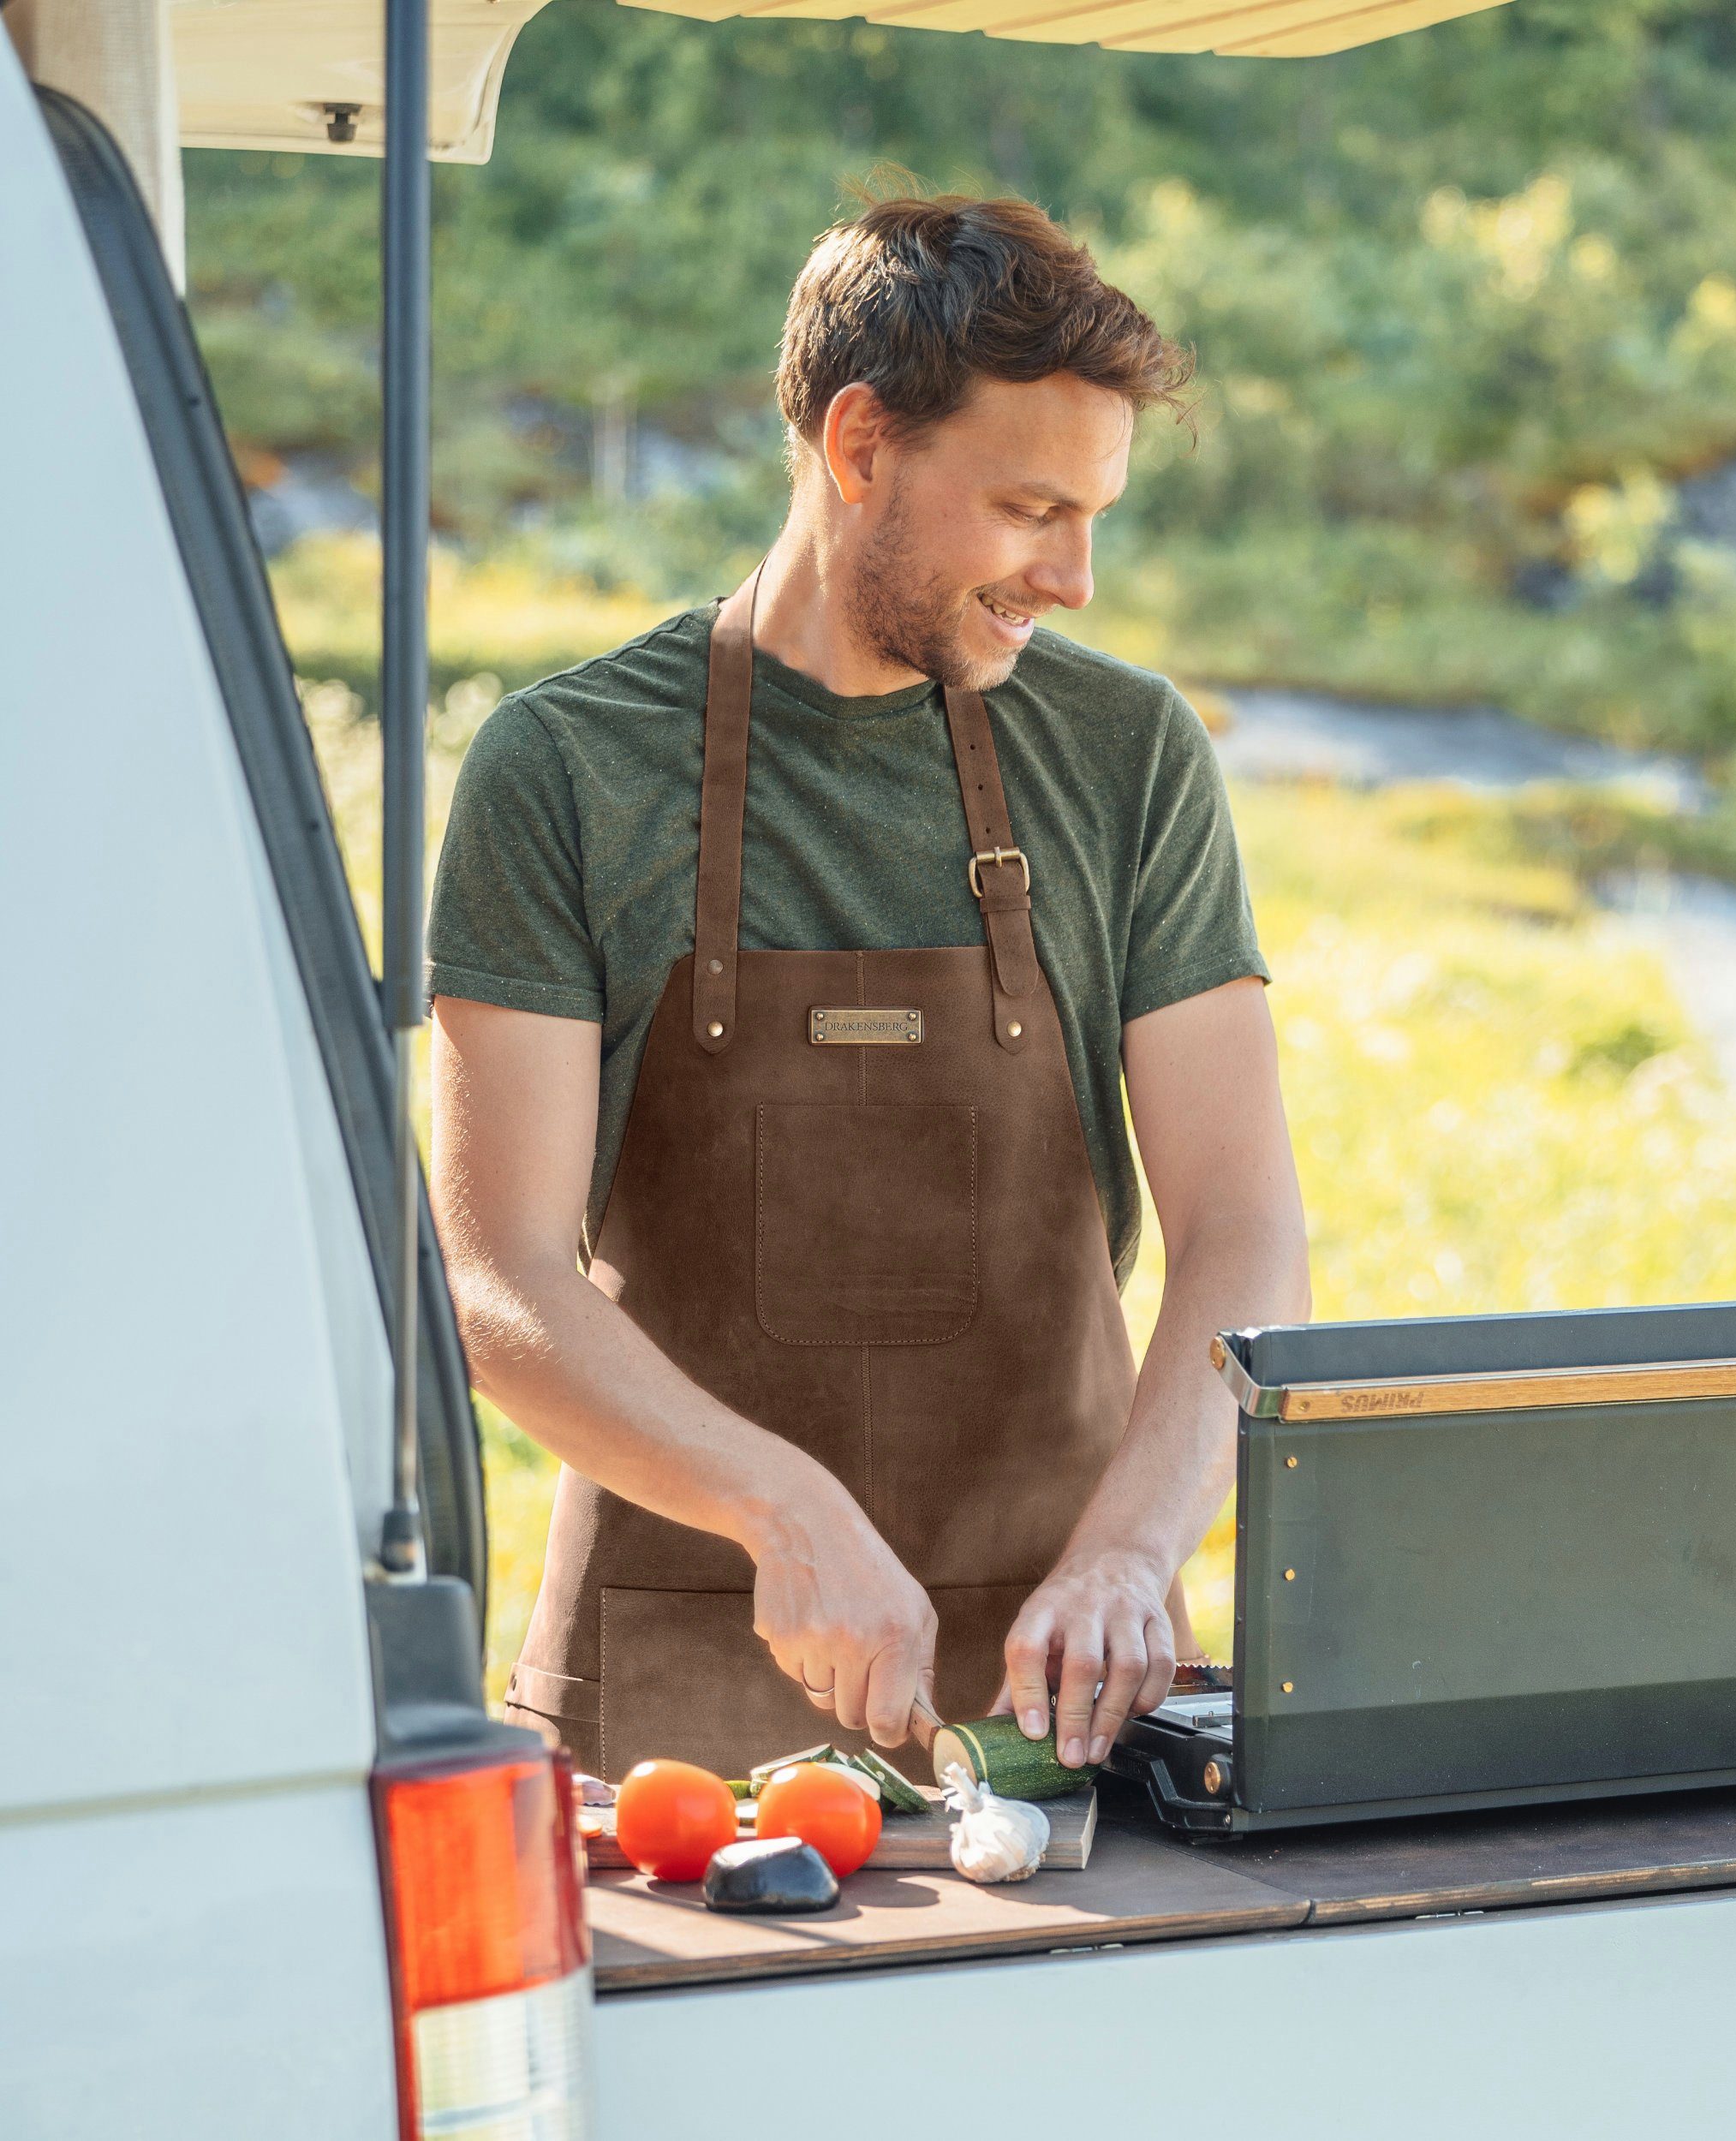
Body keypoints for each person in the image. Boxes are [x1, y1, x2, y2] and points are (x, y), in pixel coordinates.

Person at [426, 191, 1309, 1784]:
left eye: (1096, 512)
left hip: (1066, 1705)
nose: (1077, 575)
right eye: (1032, 507)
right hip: (670, 1715)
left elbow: (1244, 1233)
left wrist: (1127, 1559)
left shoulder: (1127, 754)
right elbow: (494, 1281)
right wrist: (788, 1507)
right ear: (857, 446)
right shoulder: (565, 768)